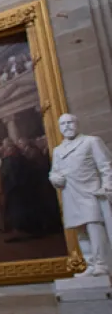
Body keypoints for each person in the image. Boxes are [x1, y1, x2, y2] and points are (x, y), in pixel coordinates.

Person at [49, 113, 112, 276]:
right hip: (70, 193)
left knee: (94, 227)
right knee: (80, 230)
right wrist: (55, 178)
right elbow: (54, 172)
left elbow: (105, 166)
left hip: (90, 191)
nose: (67, 126)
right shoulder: (58, 150)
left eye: (70, 122)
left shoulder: (91, 141)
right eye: (63, 124)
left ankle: (101, 263)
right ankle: (90, 263)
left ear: (77, 124)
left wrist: (107, 186)